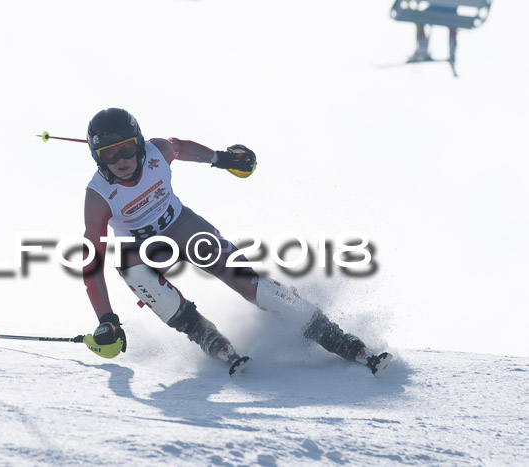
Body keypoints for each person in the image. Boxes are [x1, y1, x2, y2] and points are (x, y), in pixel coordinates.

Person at [81, 108, 391, 376]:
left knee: (251, 285)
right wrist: (106, 319)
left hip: (182, 226)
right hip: (143, 250)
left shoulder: (156, 153)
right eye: (109, 153)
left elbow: (180, 148)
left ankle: (333, 336)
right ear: (98, 157)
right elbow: (91, 262)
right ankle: (203, 333)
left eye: (125, 148)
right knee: (129, 268)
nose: (120, 159)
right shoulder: (98, 198)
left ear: (138, 143)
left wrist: (222, 158)